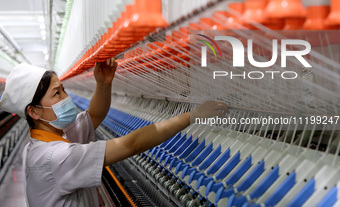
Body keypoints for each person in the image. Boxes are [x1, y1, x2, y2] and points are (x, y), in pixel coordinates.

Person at [0, 58, 228, 207]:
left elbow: (94, 115)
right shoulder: (55, 157)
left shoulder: (54, 138)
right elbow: (132, 144)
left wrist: (104, 83)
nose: (66, 98)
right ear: (34, 112)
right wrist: (193, 115)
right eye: (57, 94)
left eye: (63, 90)